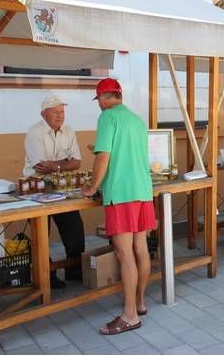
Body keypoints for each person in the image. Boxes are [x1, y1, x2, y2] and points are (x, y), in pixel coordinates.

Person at [82, 78, 156, 335]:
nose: (99, 105)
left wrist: (92, 187)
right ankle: (140, 302)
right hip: (143, 191)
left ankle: (130, 316)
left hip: (121, 193)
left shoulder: (107, 118)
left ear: (103, 98)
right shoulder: (136, 119)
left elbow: (104, 157)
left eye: (99, 101)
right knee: (141, 248)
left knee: (124, 253)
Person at [24, 94, 84, 289]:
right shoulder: (34, 132)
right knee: (41, 232)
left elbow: (77, 162)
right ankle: (47, 276)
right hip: (36, 188)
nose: (60, 116)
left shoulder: (69, 131)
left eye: (62, 112)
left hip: (62, 186)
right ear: (44, 114)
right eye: (55, 113)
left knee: (74, 227)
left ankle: (75, 270)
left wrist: (56, 167)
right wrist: (65, 164)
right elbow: (41, 166)